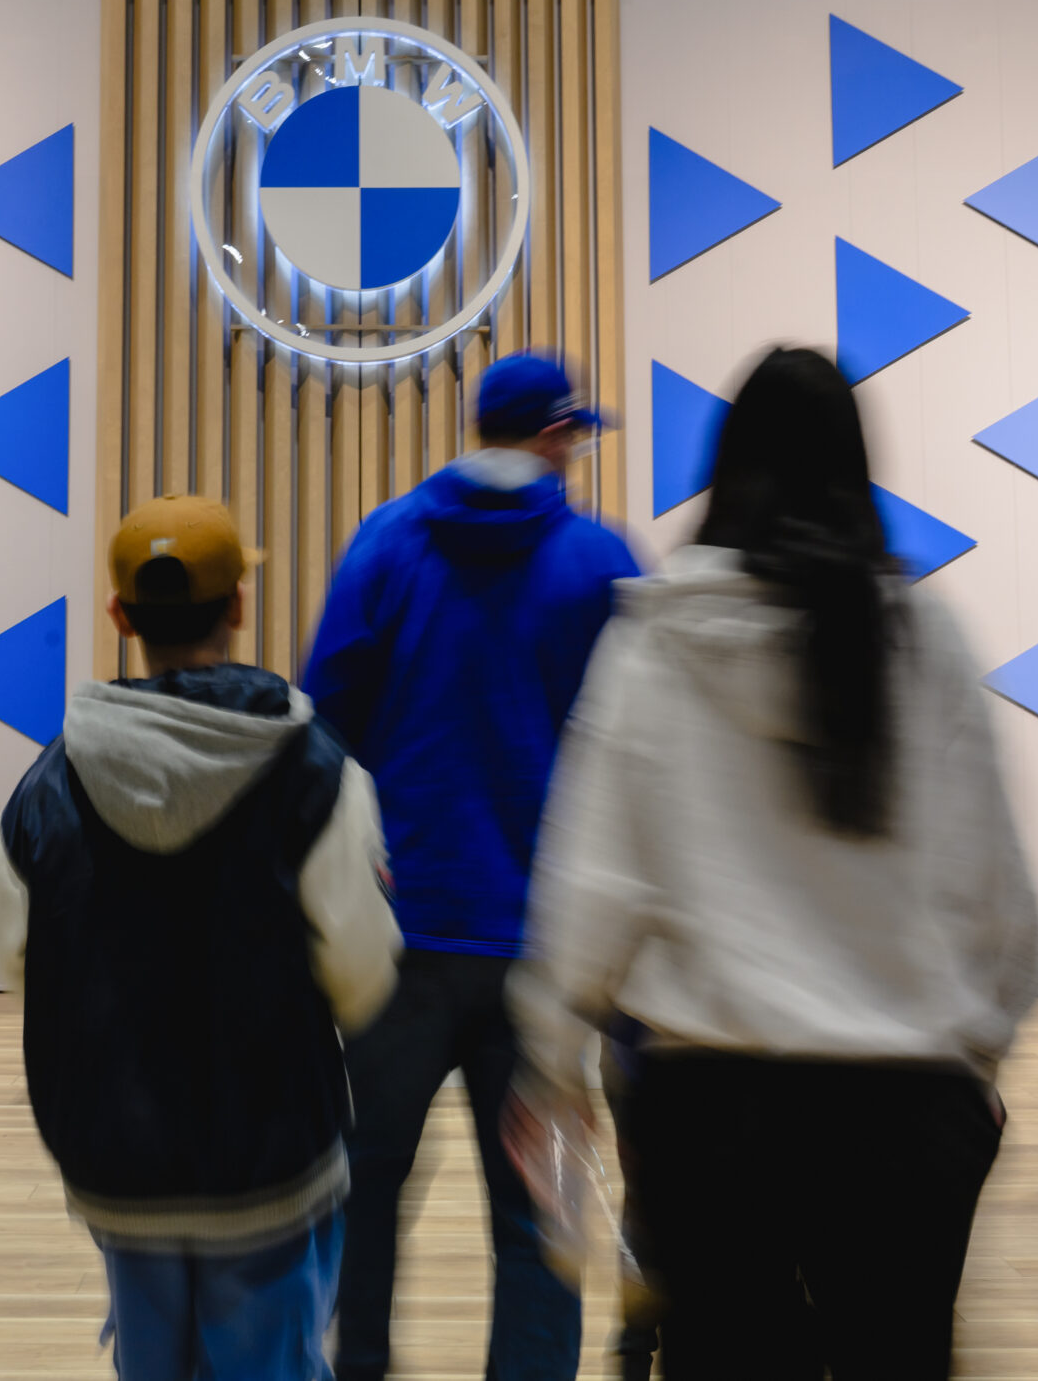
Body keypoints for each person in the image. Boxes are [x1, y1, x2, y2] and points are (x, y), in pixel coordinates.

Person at [510, 346, 1038, 1381]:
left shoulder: (658, 640)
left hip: (715, 1120)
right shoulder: (926, 638)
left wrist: (551, 1054)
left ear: (727, 469)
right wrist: (972, 1061)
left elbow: (591, 886)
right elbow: (1000, 902)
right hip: (907, 1114)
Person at [0, 495, 400, 1381]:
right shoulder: (317, 769)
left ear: (119, 615)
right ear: (239, 603)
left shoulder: (45, 782)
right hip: (271, 1158)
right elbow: (363, 971)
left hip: (116, 1160)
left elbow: (15, 956)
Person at [301, 351, 641, 1381]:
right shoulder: (600, 562)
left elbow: (324, 725)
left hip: (397, 936)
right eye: (575, 437)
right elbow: (641, 760)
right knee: (538, 1209)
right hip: (545, 950)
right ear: (554, 436)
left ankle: (359, 1367)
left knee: (365, 1190)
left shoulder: (385, 542)